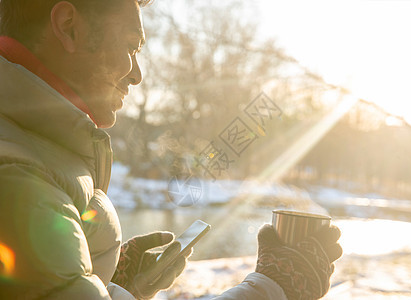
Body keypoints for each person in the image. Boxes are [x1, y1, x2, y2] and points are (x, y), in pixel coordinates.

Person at [0, 0, 342, 299]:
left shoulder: (34, 146)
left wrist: (112, 282)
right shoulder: (18, 176)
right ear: (68, 27)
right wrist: (272, 288)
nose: (137, 75)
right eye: (131, 47)